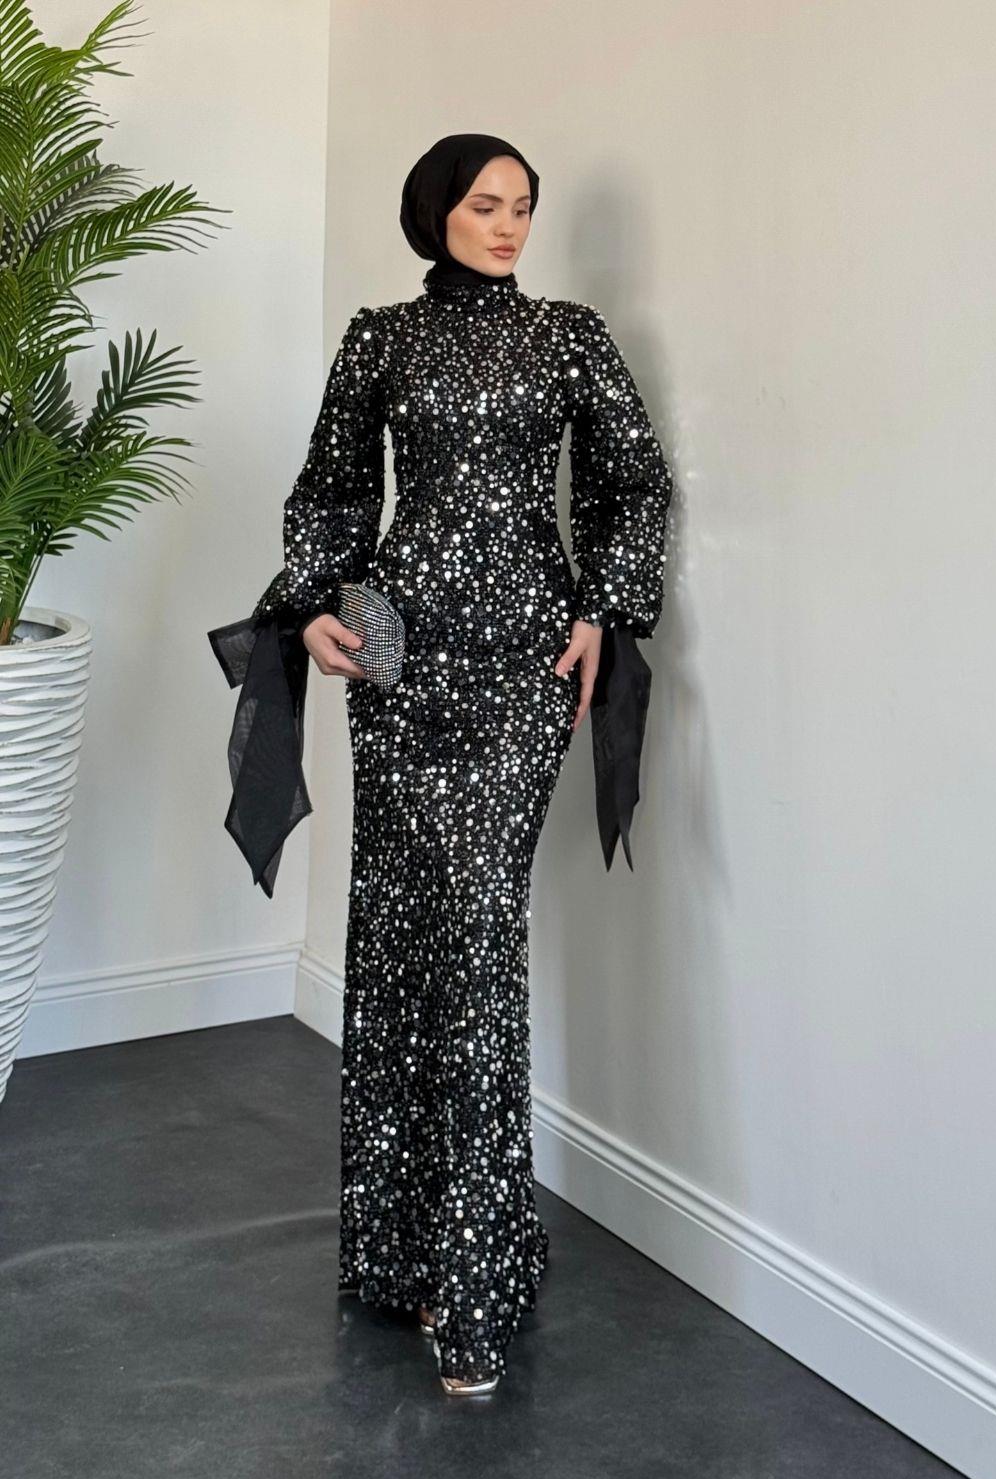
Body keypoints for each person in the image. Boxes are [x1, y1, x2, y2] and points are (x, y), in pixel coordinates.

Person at [208, 133, 673, 1395]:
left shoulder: (570, 338)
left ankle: (475, 1279)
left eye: (523, 206)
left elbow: (634, 485)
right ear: (436, 214)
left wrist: (605, 608)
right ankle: (400, 1253)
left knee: (474, 935)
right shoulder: (382, 340)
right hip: (400, 664)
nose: (509, 225)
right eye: (485, 204)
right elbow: (331, 492)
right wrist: (314, 606)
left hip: (523, 668)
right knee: (399, 932)